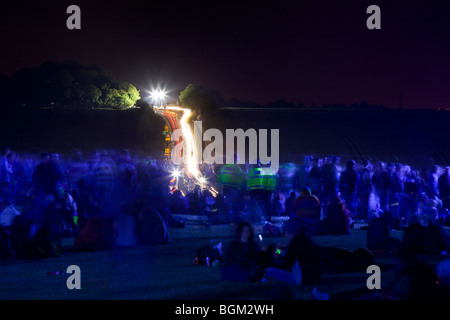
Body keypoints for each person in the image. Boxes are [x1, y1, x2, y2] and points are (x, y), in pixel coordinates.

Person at [265, 217, 321, 285]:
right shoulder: (307, 241)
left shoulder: (294, 244)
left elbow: (286, 265)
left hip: (302, 279)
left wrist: (277, 257)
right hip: (315, 278)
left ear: (289, 231)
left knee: (268, 271)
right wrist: (279, 251)